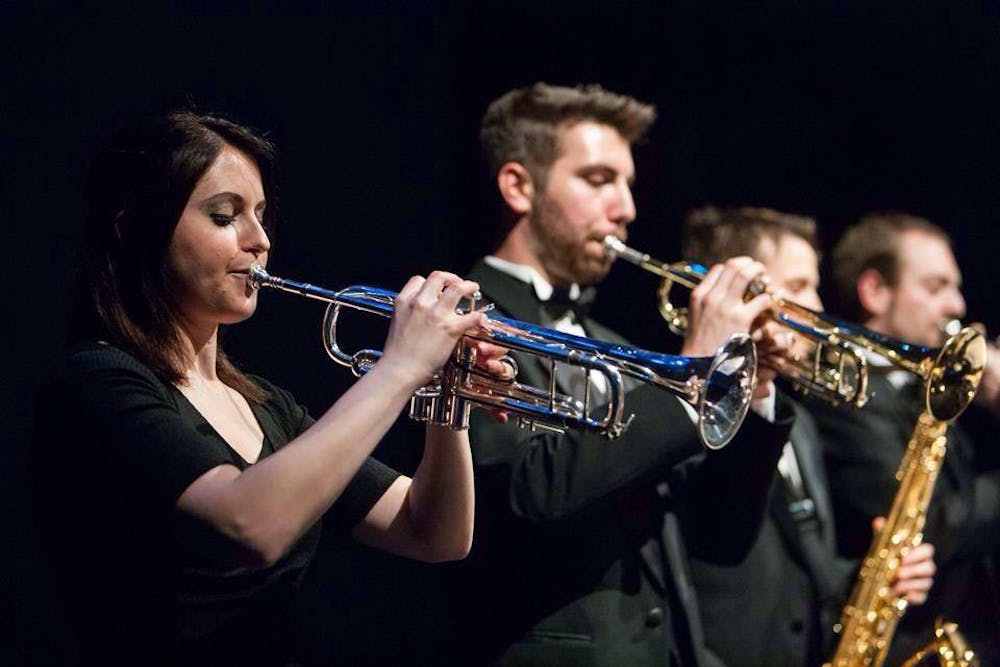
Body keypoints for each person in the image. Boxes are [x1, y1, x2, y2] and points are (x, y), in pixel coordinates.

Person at [31, 111, 503, 665]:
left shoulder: (268, 406)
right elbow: (249, 526)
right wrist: (399, 368)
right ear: (134, 226)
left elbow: (435, 533)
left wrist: (450, 397)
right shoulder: (97, 384)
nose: (259, 240)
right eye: (224, 215)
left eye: (259, 214)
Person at [446, 82, 797, 667]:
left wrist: (750, 391)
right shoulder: (461, 320)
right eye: (599, 179)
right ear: (518, 186)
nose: (627, 208)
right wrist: (688, 375)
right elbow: (526, 496)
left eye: (628, 184)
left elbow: (717, 537)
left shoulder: (616, 347)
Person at [680, 206, 936, 667]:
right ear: (739, 293)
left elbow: (801, 567)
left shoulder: (799, 422)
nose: (818, 307)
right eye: (798, 287)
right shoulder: (685, 415)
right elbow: (717, 532)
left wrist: (876, 575)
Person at [808, 211, 1000, 662]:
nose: (956, 305)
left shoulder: (922, 391)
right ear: (875, 290)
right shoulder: (841, 395)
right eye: (936, 287)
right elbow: (926, 524)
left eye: (954, 286)